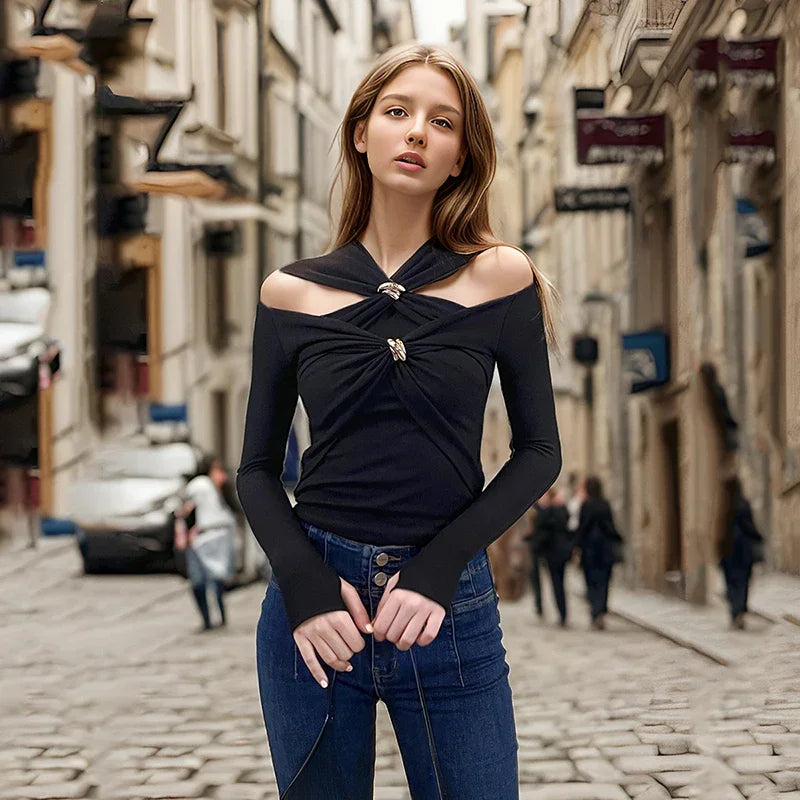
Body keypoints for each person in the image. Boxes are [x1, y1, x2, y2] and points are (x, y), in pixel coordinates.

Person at [236, 43, 561, 799]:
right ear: (361, 133)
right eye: (397, 112)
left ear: (460, 157)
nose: (417, 131)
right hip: (318, 614)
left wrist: (439, 569)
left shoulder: (500, 275)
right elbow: (255, 470)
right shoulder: (288, 292)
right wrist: (305, 585)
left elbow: (539, 452)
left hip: (448, 606)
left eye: (442, 122)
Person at [175, 454, 236, 632]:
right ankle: (208, 619)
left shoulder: (222, 492)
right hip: (199, 539)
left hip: (216, 538)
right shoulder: (201, 485)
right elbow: (185, 509)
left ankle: (220, 617)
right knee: (199, 582)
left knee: (216, 580)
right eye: (217, 470)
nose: (221, 475)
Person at [719, 478, 765, 630]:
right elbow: (749, 526)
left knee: (730, 581)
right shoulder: (743, 504)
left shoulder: (720, 505)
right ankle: (739, 611)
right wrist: (758, 537)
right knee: (742, 581)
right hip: (742, 549)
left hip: (726, 550)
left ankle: (735, 612)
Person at [575, 476, 620, 630]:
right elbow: (610, 526)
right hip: (605, 549)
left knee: (591, 581)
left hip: (589, 550)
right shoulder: (604, 504)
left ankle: (595, 610)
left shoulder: (586, 505)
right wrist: (618, 538)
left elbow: (582, 527)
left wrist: (576, 545)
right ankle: (600, 609)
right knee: (604, 581)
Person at [525, 488, 572, 626]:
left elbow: (542, 531)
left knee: (556, 584)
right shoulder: (562, 510)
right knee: (559, 583)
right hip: (561, 552)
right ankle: (563, 613)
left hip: (551, 552)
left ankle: (561, 614)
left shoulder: (547, 512)